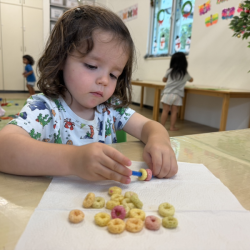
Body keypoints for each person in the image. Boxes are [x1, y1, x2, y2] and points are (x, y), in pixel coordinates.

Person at [0, 5, 178, 184]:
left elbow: (148, 126)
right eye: (92, 66)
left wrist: (159, 141)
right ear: (62, 58)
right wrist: (73, 160)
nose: (104, 81)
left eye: (113, 75)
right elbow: (4, 147)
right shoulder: (44, 109)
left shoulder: (111, 109)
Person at [160, 52, 193, 131]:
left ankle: (162, 127)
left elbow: (164, 80)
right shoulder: (185, 73)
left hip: (168, 94)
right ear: (184, 62)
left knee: (165, 111)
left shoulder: (170, 71)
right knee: (174, 112)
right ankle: (172, 127)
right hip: (178, 95)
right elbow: (191, 80)